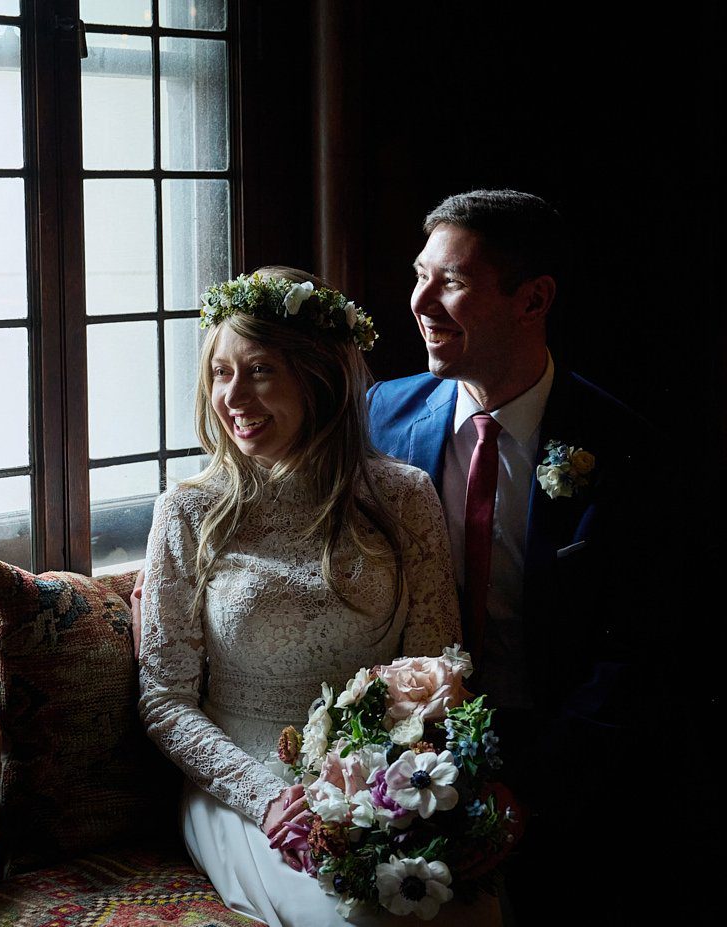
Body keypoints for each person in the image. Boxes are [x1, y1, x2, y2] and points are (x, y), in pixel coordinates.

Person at [137, 266, 499, 926]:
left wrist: (404, 789)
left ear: (318, 377)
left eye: (262, 370)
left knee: (465, 910)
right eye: (220, 371)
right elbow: (164, 698)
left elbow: (437, 671)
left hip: (381, 778)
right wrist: (267, 796)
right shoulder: (189, 511)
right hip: (245, 787)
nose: (233, 395)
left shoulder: (404, 496)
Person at [366, 190, 660, 922]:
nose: (420, 303)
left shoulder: (620, 443)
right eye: (418, 275)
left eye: (452, 283)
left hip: (569, 751)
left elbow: (637, 649)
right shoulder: (382, 416)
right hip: (411, 745)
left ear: (533, 299)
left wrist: (531, 792)